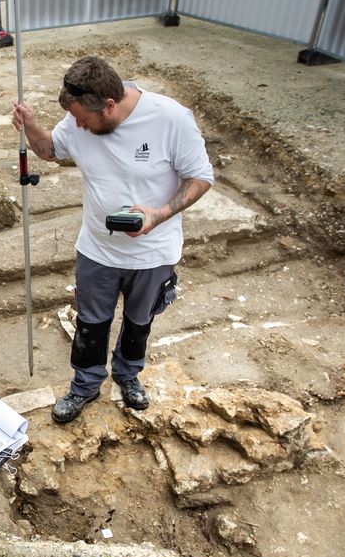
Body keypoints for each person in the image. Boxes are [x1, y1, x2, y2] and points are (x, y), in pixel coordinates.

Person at [12, 56, 214, 422]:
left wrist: (158, 215)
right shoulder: (78, 119)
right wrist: (31, 126)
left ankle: (128, 375)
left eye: (83, 120)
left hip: (153, 253)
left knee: (139, 322)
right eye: (73, 118)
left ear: (109, 104)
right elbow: (50, 151)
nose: (77, 126)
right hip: (97, 249)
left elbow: (200, 178)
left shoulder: (171, 119)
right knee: (91, 323)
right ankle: (85, 386)